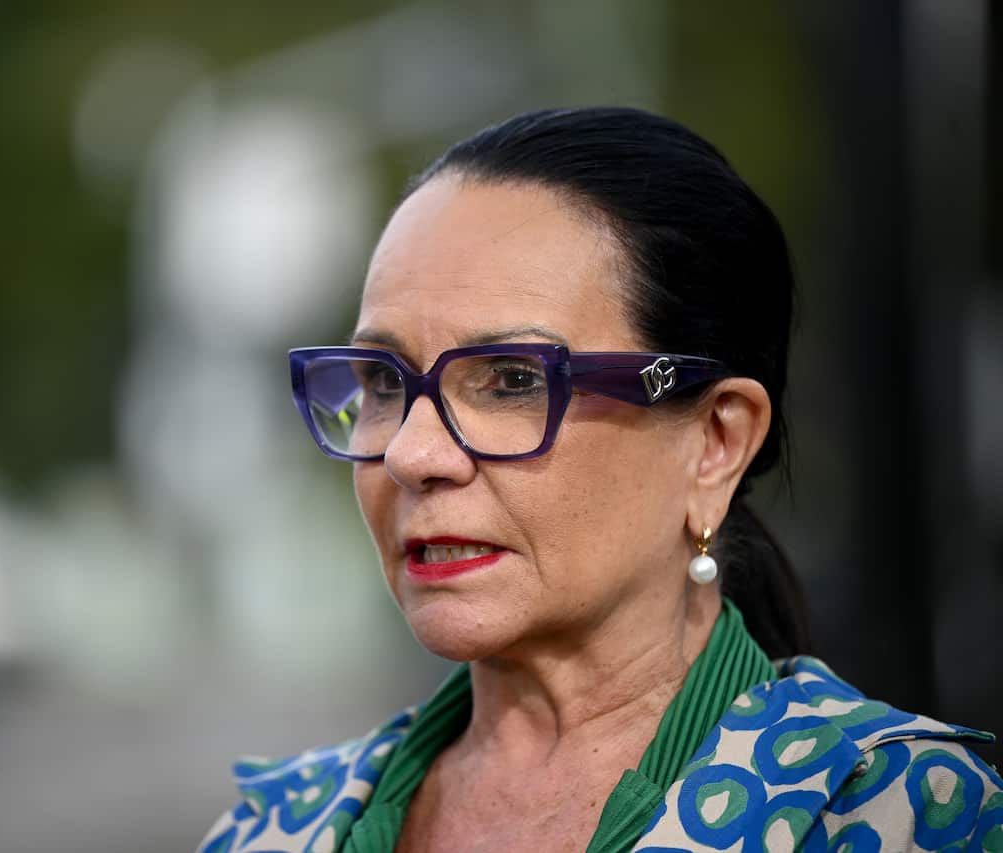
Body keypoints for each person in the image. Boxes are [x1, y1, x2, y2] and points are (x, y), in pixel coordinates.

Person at [198, 107, 1002, 852]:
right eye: (381, 382)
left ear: (715, 442)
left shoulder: (896, 814)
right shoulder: (276, 829)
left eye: (511, 379)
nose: (412, 454)